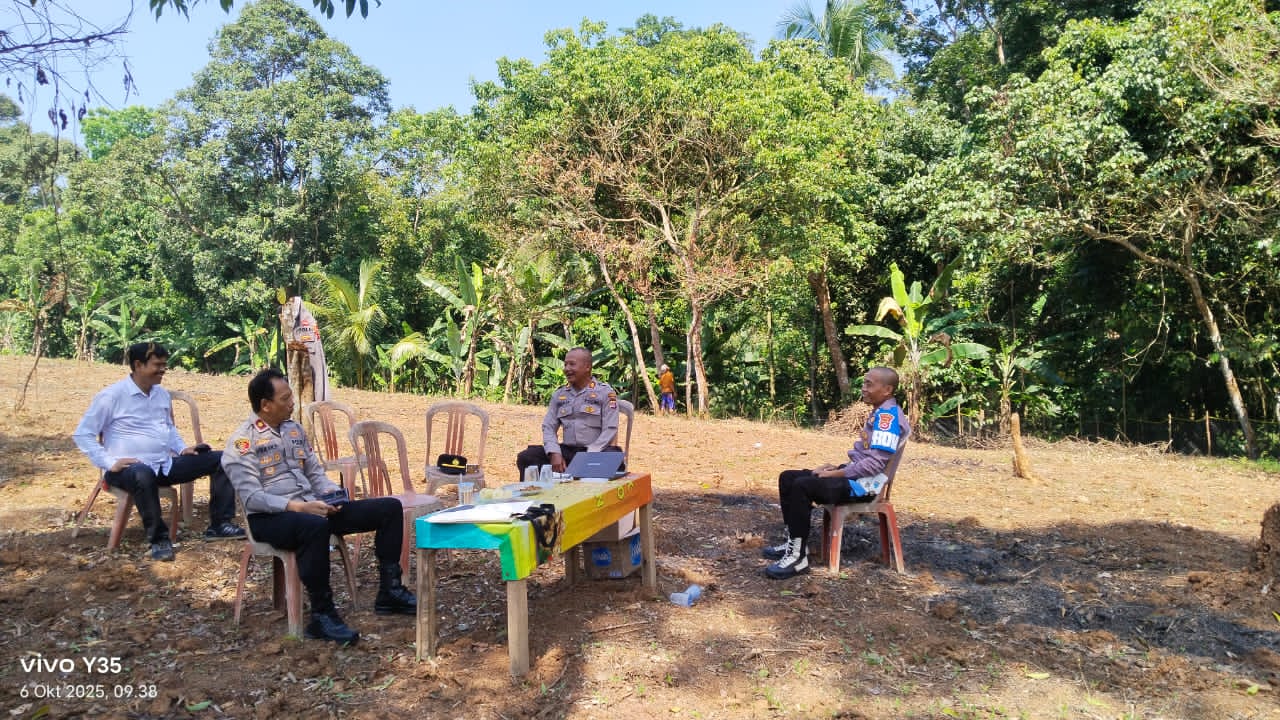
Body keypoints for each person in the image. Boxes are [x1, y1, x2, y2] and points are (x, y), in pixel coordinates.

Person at [221, 368, 415, 644]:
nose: (292, 403)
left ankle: (390, 592)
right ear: (265, 405)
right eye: (285, 399)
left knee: (389, 508)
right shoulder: (242, 442)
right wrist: (298, 507)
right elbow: (252, 498)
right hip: (271, 518)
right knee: (314, 527)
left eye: (291, 396)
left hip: (313, 507)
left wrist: (333, 496)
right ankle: (322, 615)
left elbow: (315, 473)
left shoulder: (294, 430)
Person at [73, 342, 245, 561]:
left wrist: (182, 449)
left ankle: (220, 524)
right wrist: (109, 462)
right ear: (138, 365)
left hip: (164, 464)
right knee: (142, 473)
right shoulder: (111, 396)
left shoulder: (161, 395)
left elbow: (168, 429)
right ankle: (159, 539)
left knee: (223, 459)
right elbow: (83, 434)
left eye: (165, 364)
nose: (163, 369)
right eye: (157, 365)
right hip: (125, 470)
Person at [762, 366, 909, 579]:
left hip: (865, 487)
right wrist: (837, 468)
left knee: (802, 486)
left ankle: (797, 559)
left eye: (869, 384)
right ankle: (795, 543)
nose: (863, 388)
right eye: (864, 383)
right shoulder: (879, 412)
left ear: (887, 390)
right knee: (789, 477)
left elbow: (874, 466)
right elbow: (864, 460)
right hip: (856, 478)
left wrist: (836, 475)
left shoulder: (888, 418)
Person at [516, 347, 624, 479]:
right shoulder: (559, 394)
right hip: (567, 453)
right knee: (527, 457)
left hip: (595, 451)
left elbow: (610, 429)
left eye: (572, 364)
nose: (567, 369)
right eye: (565, 364)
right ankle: (534, 490)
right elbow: (548, 427)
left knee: (613, 458)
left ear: (587, 367)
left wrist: (590, 453)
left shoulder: (606, 393)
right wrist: (554, 452)